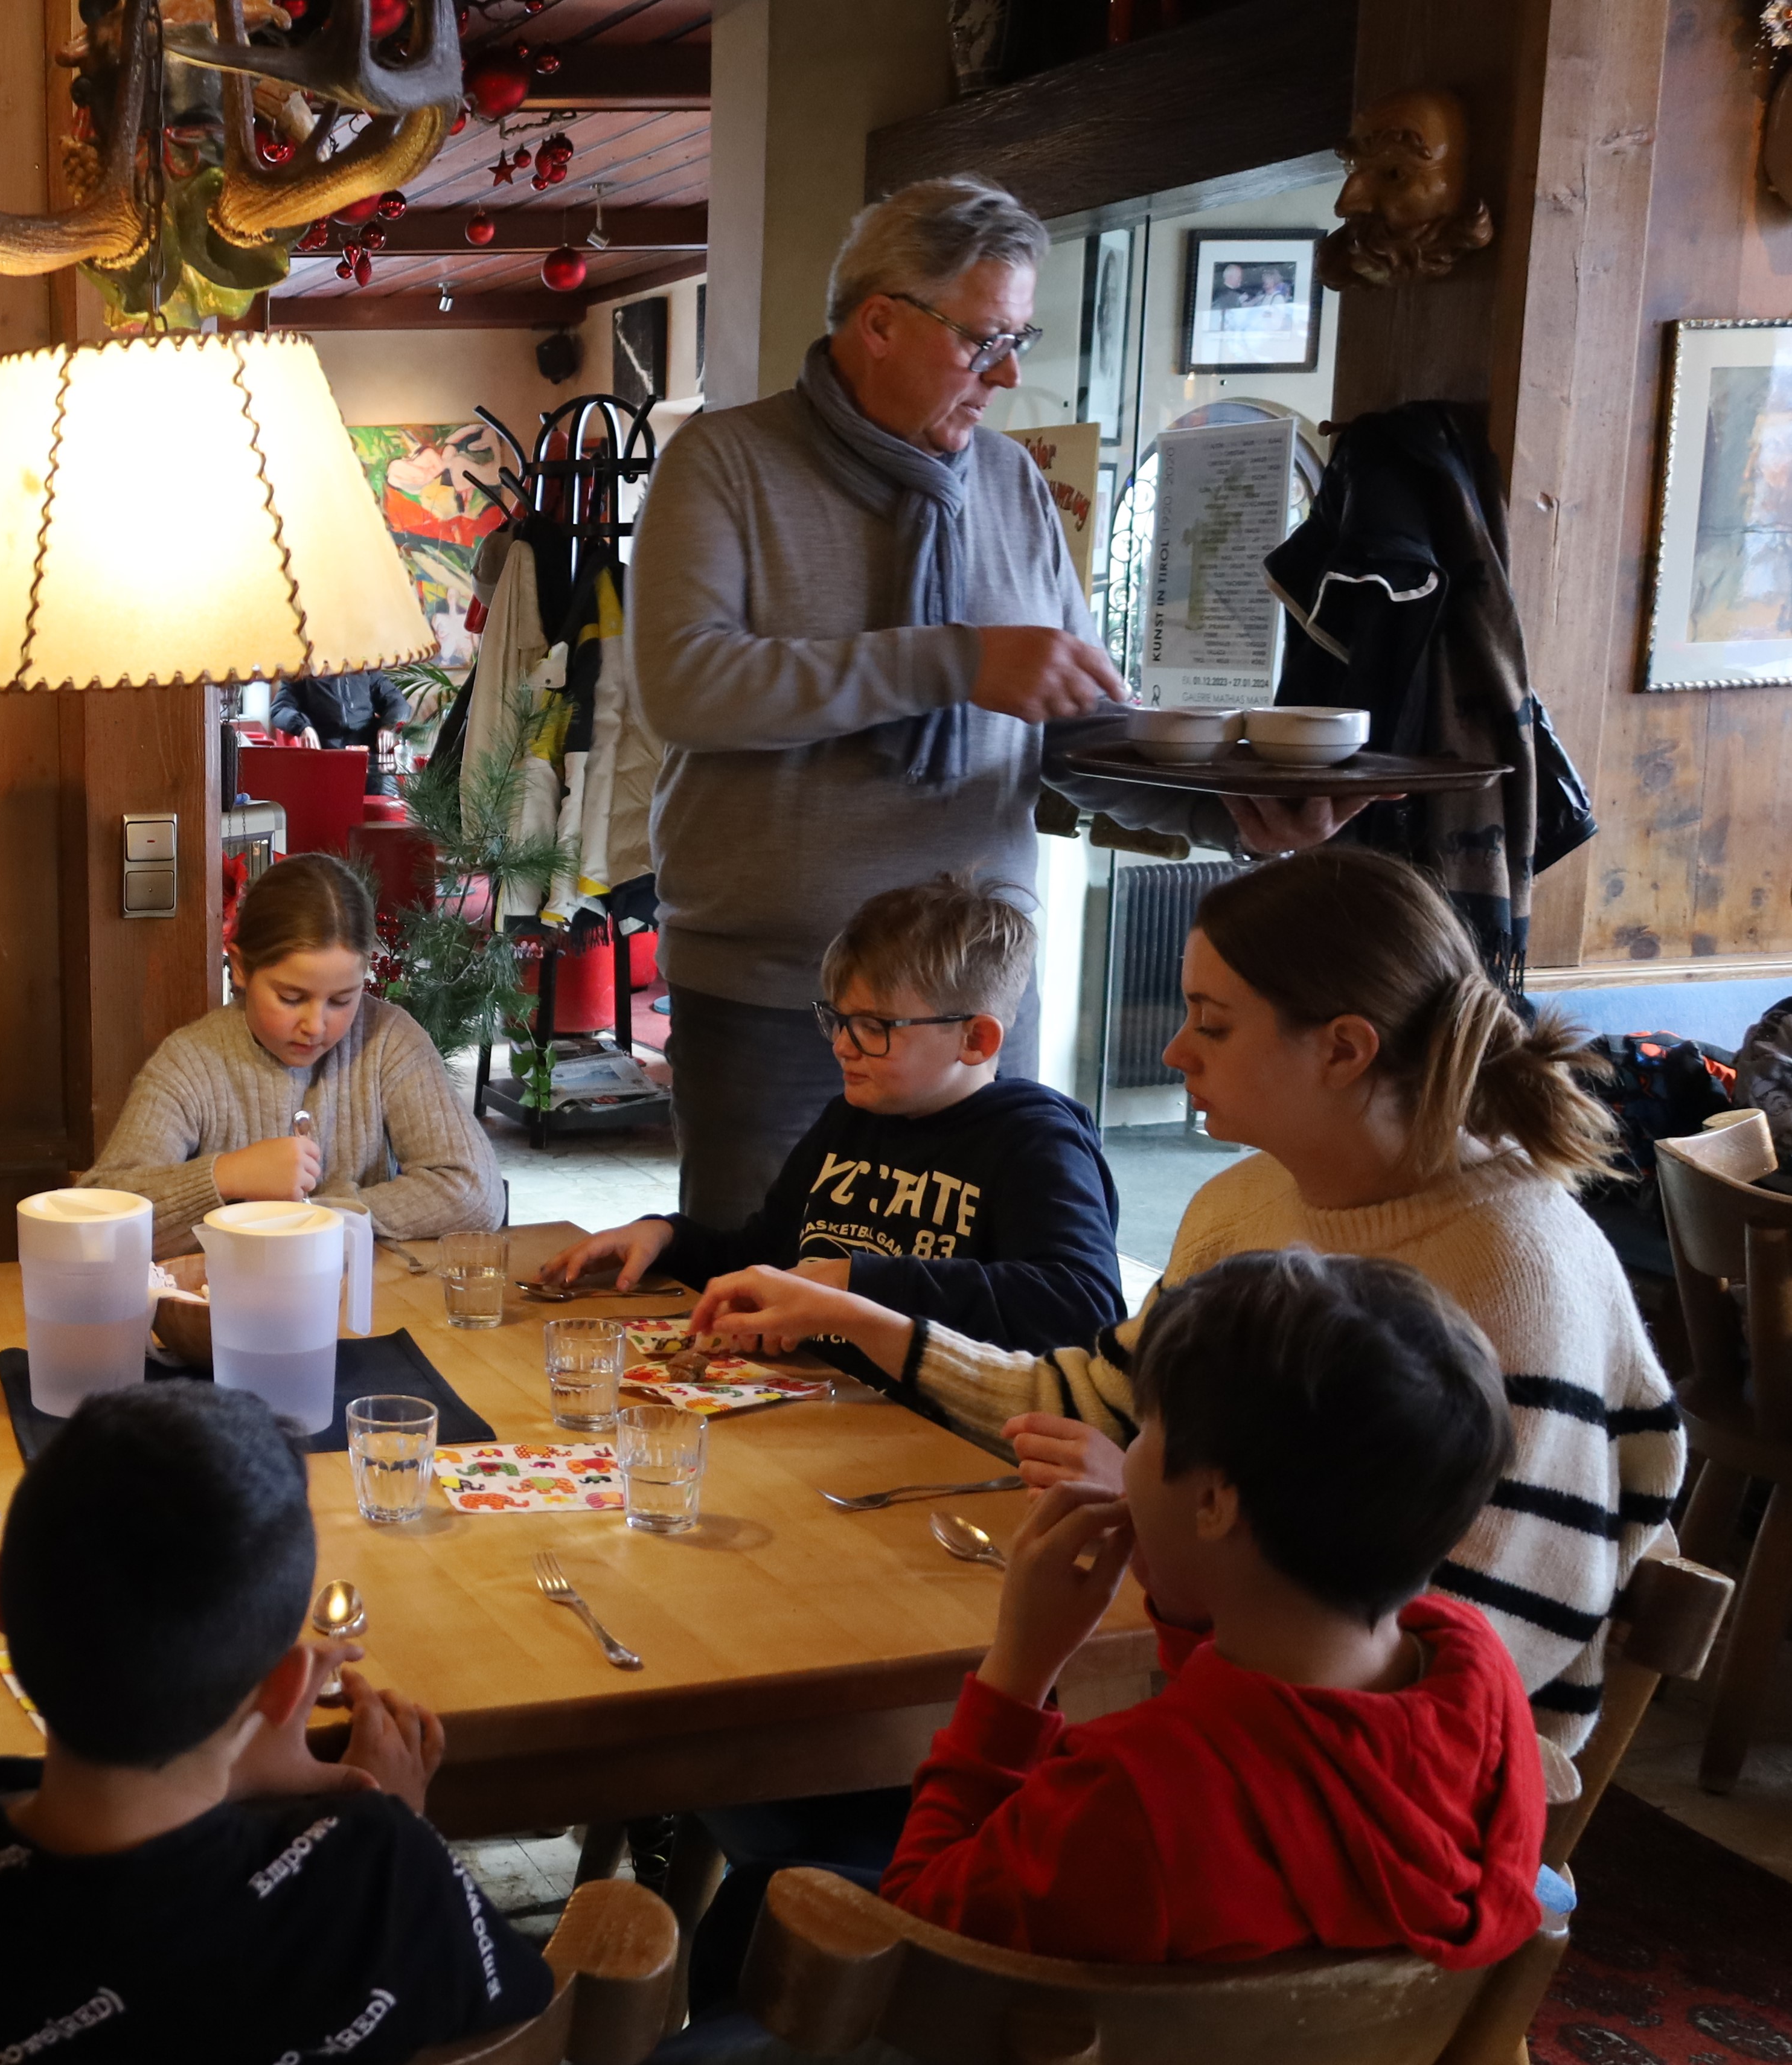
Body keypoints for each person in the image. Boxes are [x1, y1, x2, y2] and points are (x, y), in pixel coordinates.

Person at [705, 850, 1681, 1749]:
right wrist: (854, 1314)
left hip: (1377, 1775)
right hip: (1216, 1682)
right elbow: (1097, 1401)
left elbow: (1454, 1648)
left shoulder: (1512, 1269)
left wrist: (1144, 1498)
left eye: (1210, 1022)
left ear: (1341, 1049)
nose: (1174, 1050)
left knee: (822, 1760)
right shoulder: (1248, 1198)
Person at [624, 176, 1373, 1221]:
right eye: (984, 340)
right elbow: (686, 687)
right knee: (758, 1286)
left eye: (1017, 339)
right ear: (879, 322)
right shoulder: (723, 463)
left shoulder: (1013, 484)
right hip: (776, 999)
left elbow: (1069, 728)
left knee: (977, 1288)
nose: (1009, 372)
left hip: (976, 997)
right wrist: (954, 663)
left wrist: (1230, 813)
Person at [0, 1383, 552, 2060]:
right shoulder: (382, 1883)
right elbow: (527, 2019)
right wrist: (399, 1817)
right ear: (287, 1691)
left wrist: (231, 1774)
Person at [885, 1249, 1544, 1961]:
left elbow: (915, 1935)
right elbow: (1266, 1749)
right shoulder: (1477, 1672)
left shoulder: (1134, 1797)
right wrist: (1192, 1606)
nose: (1126, 1454)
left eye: (1144, 1430)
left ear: (1211, 1502)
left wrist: (1017, 1671)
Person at [537, 874, 1120, 1386]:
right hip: (828, 1401)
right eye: (839, 1020)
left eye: (874, 1027)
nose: (842, 1045)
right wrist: (667, 1237)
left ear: (975, 1039)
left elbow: (1081, 1309)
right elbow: (766, 1259)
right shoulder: (850, 1119)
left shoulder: (1036, 1144)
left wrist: (852, 1282)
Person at [79, 853, 499, 1257]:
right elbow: (95, 1218)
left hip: (365, 1298)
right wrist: (225, 1175)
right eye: (291, 997)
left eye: (342, 1000)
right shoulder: (190, 1060)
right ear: (240, 968)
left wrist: (319, 1218)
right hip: (229, 1299)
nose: (315, 1026)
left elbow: (477, 1193)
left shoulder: (388, 1039)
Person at [270, 669, 412, 792]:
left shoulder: (364, 667)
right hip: (326, 753)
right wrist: (303, 727)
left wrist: (388, 726)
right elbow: (280, 709)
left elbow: (397, 702)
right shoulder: (303, 672)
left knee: (387, 794)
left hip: (370, 753)